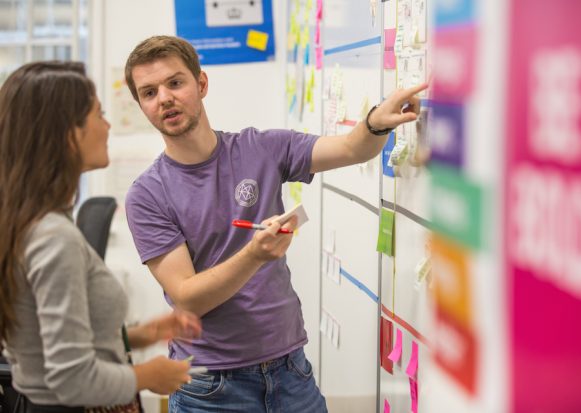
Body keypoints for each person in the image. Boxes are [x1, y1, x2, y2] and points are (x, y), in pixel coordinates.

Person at [123, 35, 427, 412]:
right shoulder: (147, 194)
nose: (164, 98)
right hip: (210, 389)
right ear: (142, 105)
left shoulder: (260, 148)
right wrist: (253, 255)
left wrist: (376, 123)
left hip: (290, 372)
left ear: (201, 84)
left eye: (175, 82)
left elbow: (351, 148)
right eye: (149, 92)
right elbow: (188, 297)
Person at [0, 61, 203, 412]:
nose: (108, 125)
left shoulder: (32, 221)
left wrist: (142, 335)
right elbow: (71, 378)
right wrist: (147, 375)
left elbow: (49, 340)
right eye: (99, 114)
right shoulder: (53, 238)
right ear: (69, 133)